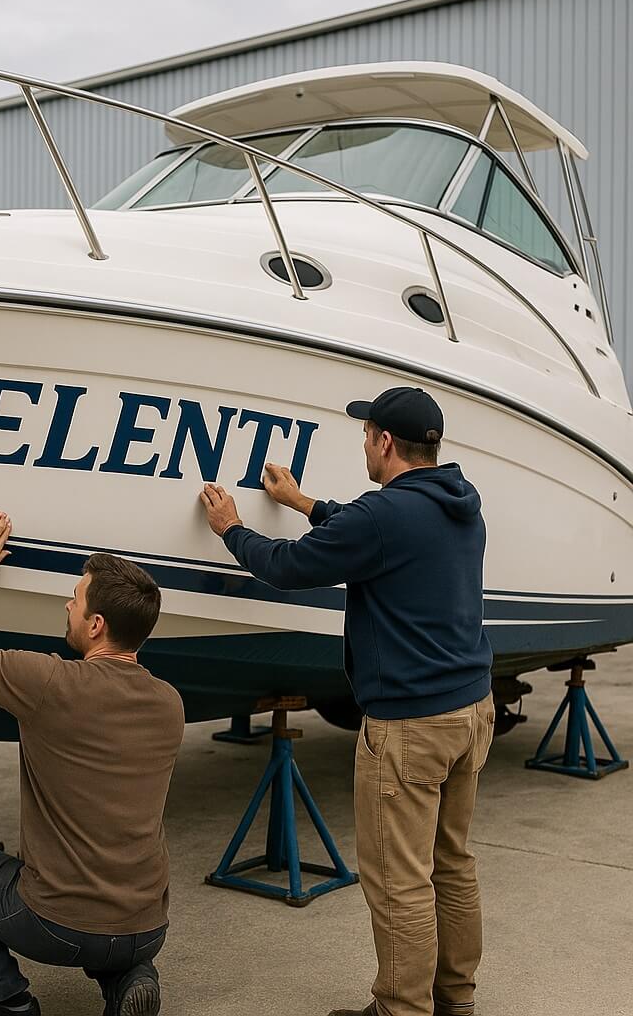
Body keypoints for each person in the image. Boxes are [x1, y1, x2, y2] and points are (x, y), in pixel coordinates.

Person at [198, 387, 495, 1016]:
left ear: (385, 442)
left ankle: (402, 1010)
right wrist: (302, 501)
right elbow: (366, 534)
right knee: (452, 864)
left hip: (412, 725)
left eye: (365, 433)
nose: (363, 442)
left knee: (398, 880)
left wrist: (232, 529)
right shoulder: (460, 502)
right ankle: (454, 1002)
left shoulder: (384, 515)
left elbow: (286, 567)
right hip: (472, 710)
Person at [0, 509, 184, 1016]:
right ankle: (131, 976)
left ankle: (6, 1004)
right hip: (147, 928)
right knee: (111, 914)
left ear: (96, 625)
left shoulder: (49, 684)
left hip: (58, 927)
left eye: (75, 600)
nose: (67, 604)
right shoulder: (170, 701)